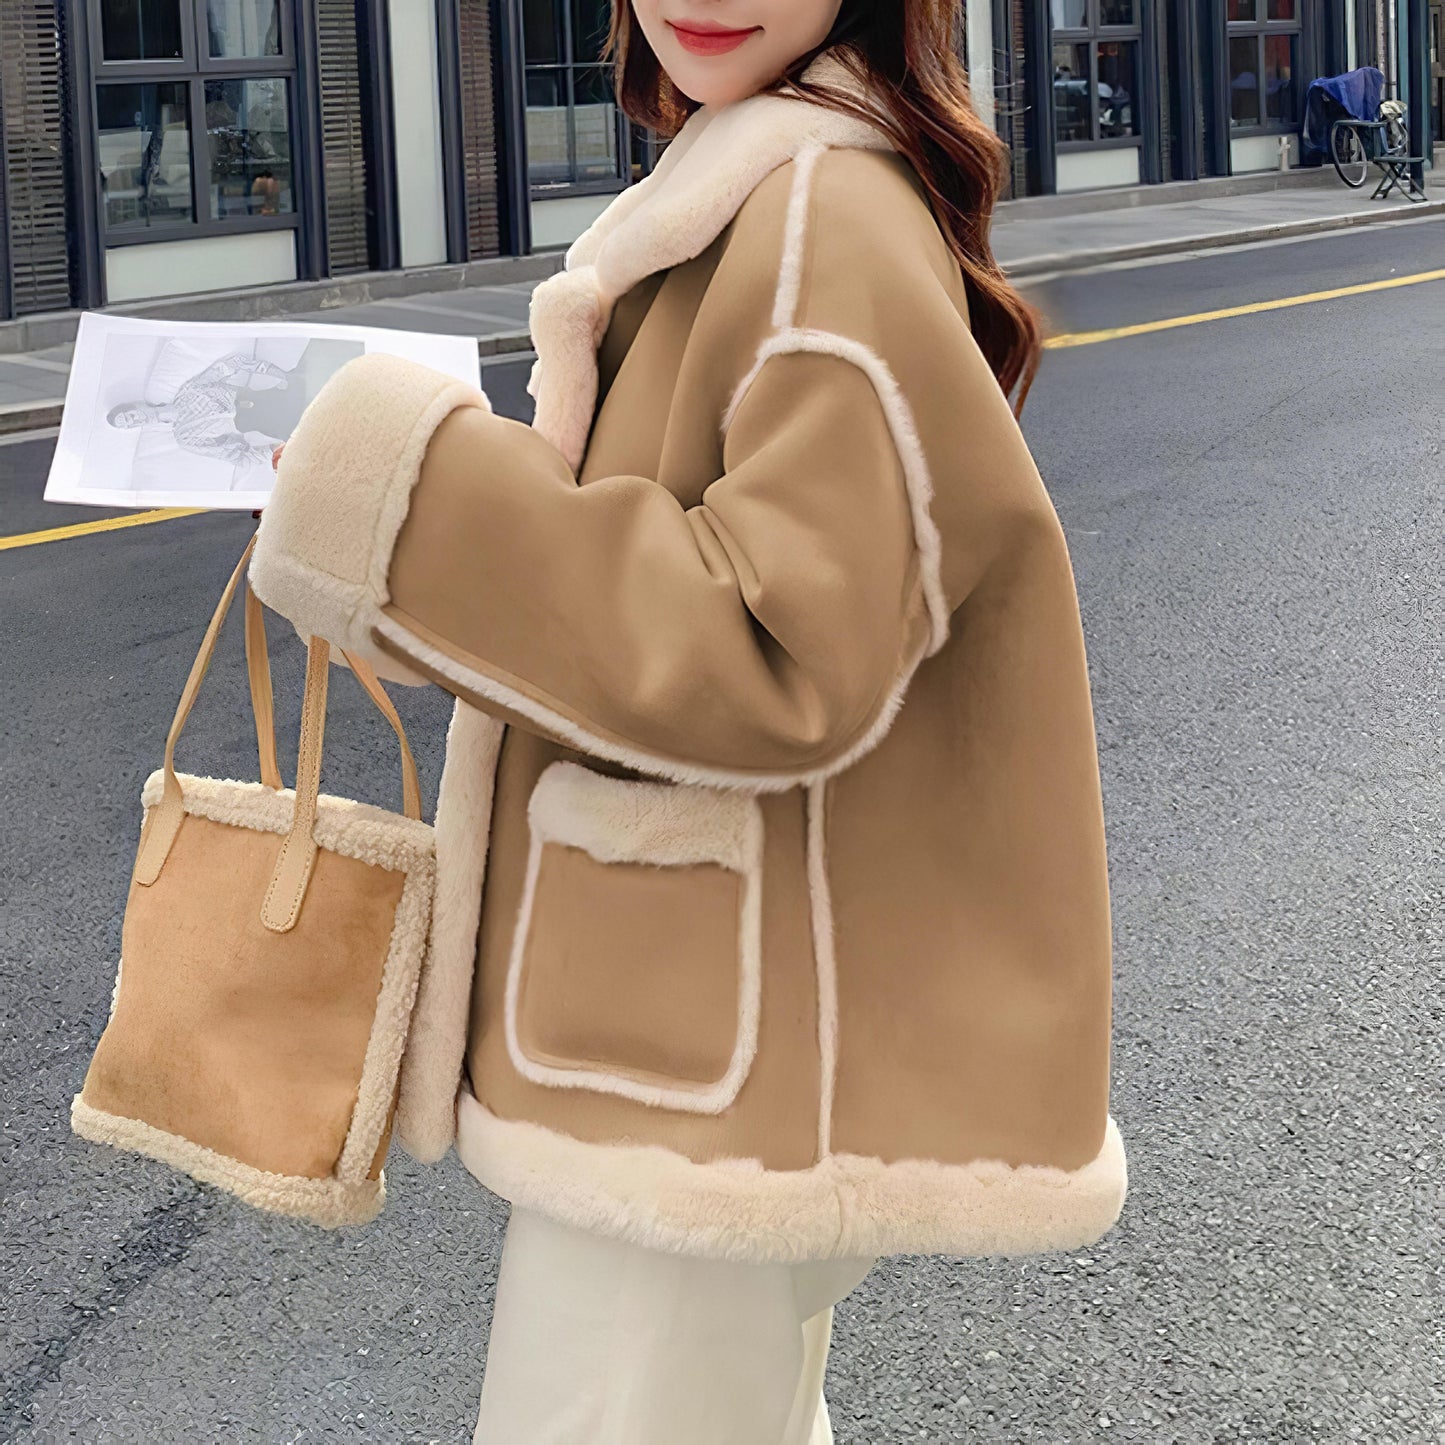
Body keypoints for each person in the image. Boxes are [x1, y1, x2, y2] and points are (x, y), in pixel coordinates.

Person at [251, 3, 1128, 1441]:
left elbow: (785, 649)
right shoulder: (762, 179)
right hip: (704, 1017)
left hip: (706, 1043)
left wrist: (413, 503)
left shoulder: (819, 211)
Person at [108, 352, 291, 471]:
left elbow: (232, 363)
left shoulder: (190, 390)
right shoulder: (185, 438)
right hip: (269, 427)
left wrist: (279, 374)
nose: (136, 420)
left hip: (272, 396)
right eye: (129, 425)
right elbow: (238, 457)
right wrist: (274, 449)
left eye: (129, 415)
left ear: (137, 404)